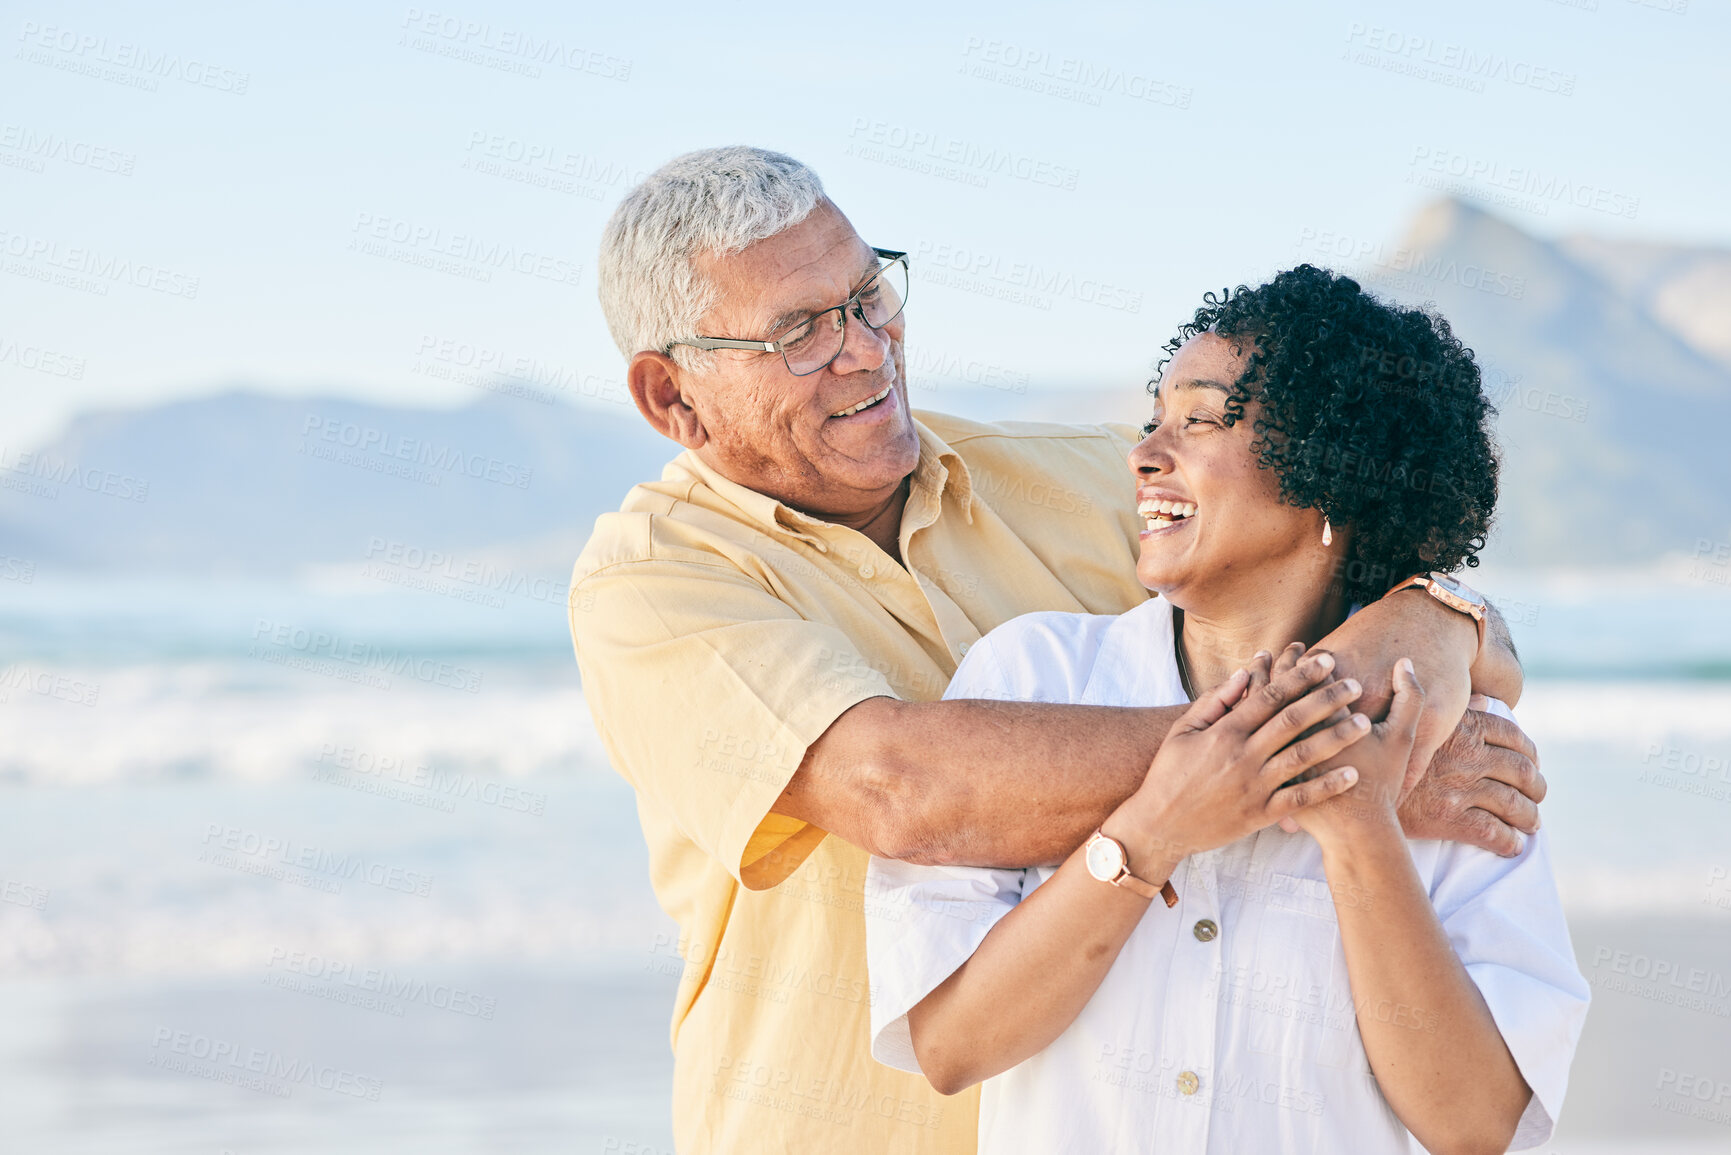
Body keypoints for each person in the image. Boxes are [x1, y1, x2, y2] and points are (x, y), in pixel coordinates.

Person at [568, 146, 1547, 1154]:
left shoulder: (1077, 480)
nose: (865, 347)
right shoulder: (650, 582)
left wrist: (1444, 614)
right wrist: (1314, 760)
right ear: (673, 399)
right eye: (799, 333)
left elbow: (1343, 549)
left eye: (866, 296)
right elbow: (900, 790)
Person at [865, 266, 1590, 1154]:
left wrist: (1361, 828)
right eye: (1154, 418)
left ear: (1332, 471)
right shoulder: (1032, 673)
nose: (1142, 454)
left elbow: (1479, 1124)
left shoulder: (1449, 739)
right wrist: (1150, 830)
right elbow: (951, 1045)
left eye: (1200, 419)